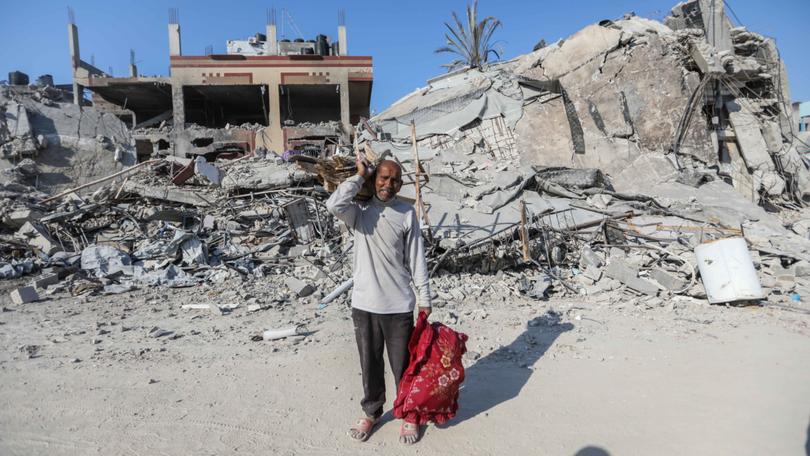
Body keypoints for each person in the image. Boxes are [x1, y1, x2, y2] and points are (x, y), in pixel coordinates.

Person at [326, 157, 432, 445]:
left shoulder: (406, 213)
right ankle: (372, 412)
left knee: (403, 365)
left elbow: (416, 258)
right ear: (375, 181)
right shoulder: (358, 212)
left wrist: (425, 297)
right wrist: (360, 175)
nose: (389, 184)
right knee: (370, 363)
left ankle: (409, 413)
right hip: (364, 304)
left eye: (395, 180)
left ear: (401, 184)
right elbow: (333, 204)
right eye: (383, 178)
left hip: (398, 305)